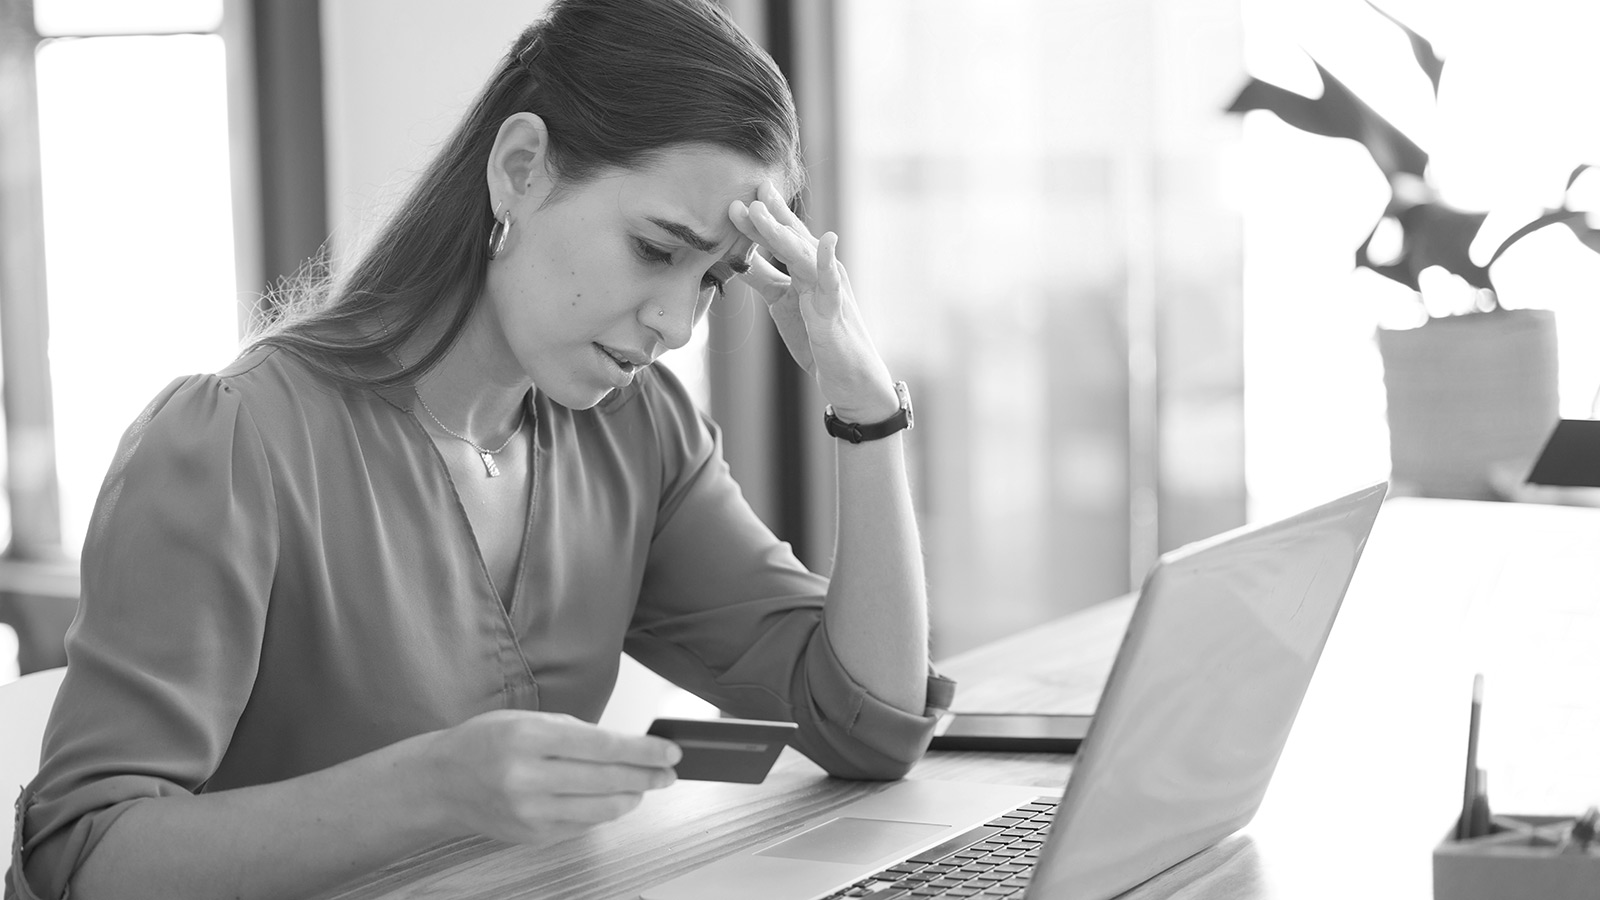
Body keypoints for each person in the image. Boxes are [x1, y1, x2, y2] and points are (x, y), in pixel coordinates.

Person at [5, 1, 948, 898]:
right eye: (658, 250)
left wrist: (865, 407)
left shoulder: (636, 432)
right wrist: (429, 788)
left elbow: (865, 722)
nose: (678, 324)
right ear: (521, 167)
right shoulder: (235, 444)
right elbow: (86, 859)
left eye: (715, 279)